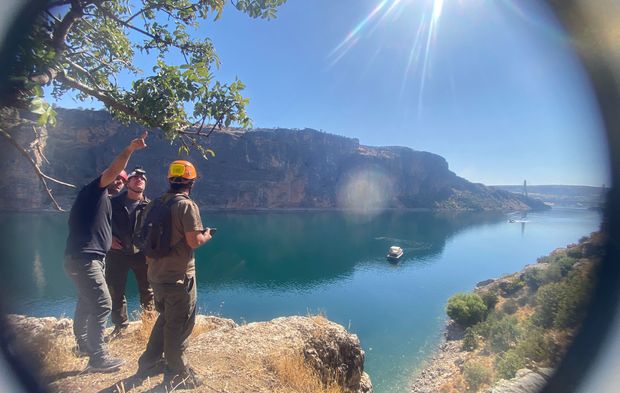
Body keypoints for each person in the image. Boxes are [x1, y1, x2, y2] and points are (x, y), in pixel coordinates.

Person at [64, 132, 148, 372]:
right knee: (102, 304)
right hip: (85, 259)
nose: (120, 182)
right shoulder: (95, 191)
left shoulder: (101, 201)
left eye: (123, 180)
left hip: (84, 258)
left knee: (85, 302)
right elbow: (113, 171)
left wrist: (108, 239)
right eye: (118, 179)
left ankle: (82, 346)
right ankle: (98, 358)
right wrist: (130, 149)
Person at [136, 160, 213, 390]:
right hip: (179, 278)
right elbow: (194, 241)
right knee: (178, 327)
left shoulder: (154, 203)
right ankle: (178, 373)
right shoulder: (186, 206)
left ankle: (149, 362)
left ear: (170, 179)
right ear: (191, 182)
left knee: (165, 319)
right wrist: (207, 235)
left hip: (156, 275)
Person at [106, 167, 154, 338]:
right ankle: (120, 326)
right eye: (135, 178)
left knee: (148, 290)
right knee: (116, 290)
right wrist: (108, 238)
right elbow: (100, 223)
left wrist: (151, 251)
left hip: (142, 255)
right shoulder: (112, 203)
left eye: (142, 178)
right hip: (117, 253)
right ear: (127, 183)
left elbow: (156, 231)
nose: (139, 179)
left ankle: (149, 326)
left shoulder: (150, 206)